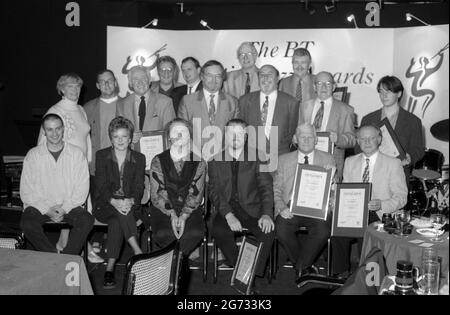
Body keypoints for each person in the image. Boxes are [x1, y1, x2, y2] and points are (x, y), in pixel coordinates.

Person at [38, 73, 102, 263]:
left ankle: (64, 242)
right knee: (73, 207)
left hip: (81, 166)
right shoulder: (55, 110)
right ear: (62, 89)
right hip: (64, 167)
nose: (75, 91)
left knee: (80, 208)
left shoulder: (81, 109)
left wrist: (89, 160)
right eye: (70, 87)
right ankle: (82, 248)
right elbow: (44, 141)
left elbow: (86, 137)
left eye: (78, 87)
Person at [331, 125, 408, 276]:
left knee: (367, 230)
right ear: (358, 141)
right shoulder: (350, 161)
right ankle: (341, 275)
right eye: (362, 138)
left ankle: (365, 277)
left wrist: (381, 204)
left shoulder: (393, 163)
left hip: (379, 213)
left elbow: (401, 197)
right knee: (336, 229)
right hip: (354, 212)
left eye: (371, 138)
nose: (367, 142)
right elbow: (346, 190)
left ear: (379, 140)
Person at [208, 118, 275, 278]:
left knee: (268, 232)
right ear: (225, 135)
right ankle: (242, 270)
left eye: (239, 133)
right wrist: (229, 215)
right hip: (226, 209)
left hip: (252, 209)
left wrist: (266, 214)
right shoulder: (215, 160)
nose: (235, 137)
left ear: (246, 136)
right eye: (231, 133)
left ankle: (250, 275)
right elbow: (214, 191)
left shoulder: (259, 157)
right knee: (219, 230)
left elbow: (266, 188)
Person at [20, 114, 93, 255]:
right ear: (44, 131)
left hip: (68, 205)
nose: (54, 134)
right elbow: (26, 191)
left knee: (86, 220)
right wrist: (47, 209)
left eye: (58, 129)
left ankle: (67, 257)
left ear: (63, 129)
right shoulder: (33, 155)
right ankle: (52, 256)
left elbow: (82, 190)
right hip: (41, 205)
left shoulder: (76, 154)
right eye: (50, 129)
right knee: (27, 223)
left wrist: (63, 208)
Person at [274, 123, 336, 279]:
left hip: (317, 207)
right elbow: (277, 189)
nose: (306, 140)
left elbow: (335, 189)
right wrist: (281, 207)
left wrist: (332, 179)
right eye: (303, 136)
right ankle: (304, 266)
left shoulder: (328, 159)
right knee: (281, 229)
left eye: (310, 137)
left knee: (323, 231)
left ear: (316, 140)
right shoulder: (283, 160)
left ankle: (300, 267)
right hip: (291, 206)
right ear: (295, 139)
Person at [94, 116, 145, 289]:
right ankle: (138, 252)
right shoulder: (101, 155)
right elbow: (100, 185)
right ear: (111, 138)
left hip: (129, 205)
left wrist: (130, 200)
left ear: (130, 138)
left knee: (117, 222)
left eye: (124, 136)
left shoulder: (139, 157)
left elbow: (139, 187)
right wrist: (114, 201)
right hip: (106, 204)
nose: (120, 140)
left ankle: (109, 269)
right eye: (116, 137)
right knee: (119, 214)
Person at [149, 118, 206, 256]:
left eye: (183, 131)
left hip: (189, 210)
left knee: (194, 233)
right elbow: (158, 193)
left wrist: (184, 216)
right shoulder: (158, 160)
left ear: (190, 135)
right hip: (164, 209)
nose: (179, 135)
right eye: (175, 131)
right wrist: (173, 215)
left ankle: (173, 266)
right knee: (164, 233)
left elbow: (195, 194)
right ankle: (178, 265)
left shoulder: (199, 162)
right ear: (169, 137)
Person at [357, 75, 424, 181]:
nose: (384, 95)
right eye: (381, 91)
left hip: (399, 173)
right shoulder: (368, 119)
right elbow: (358, 147)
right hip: (371, 173)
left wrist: (410, 157)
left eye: (388, 91)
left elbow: (418, 149)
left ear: (399, 93)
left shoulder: (413, 121)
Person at [299, 71, 356, 181]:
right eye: (320, 83)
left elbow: (352, 140)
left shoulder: (346, 110)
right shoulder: (303, 107)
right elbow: (298, 132)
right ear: (314, 87)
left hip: (331, 163)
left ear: (334, 87)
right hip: (306, 161)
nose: (324, 87)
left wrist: (338, 139)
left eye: (328, 84)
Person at [178, 60, 239, 158]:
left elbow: (236, 135)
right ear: (202, 77)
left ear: (223, 78)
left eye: (218, 76)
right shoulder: (187, 101)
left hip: (224, 160)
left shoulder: (233, 102)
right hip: (195, 159)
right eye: (209, 75)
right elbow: (181, 133)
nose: (213, 80)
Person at [239, 64, 299, 156]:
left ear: (277, 78)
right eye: (262, 75)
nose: (265, 78)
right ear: (258, 79)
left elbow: (291, 132)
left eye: (270, 75)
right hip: (252, 160)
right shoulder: (244, 101)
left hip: (281, 158)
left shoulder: (291, 102)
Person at [116, 65, 176, 145]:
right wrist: (128, 138)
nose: (140, 82)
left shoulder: (165, 102)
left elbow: (172, 134)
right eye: (135, 79)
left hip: (157, 154)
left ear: (149, 80)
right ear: (130, 83)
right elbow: (117, 135)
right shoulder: (121, 105)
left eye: (143, 78)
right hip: (131, 155)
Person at [84, 69, 122, 174]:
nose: (106, 84)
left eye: (109, 80)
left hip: (121, 164)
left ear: (115, 83)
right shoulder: (88, 108)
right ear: (97, 85)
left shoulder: (126, 105)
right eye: (102, 81)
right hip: (97, 164)